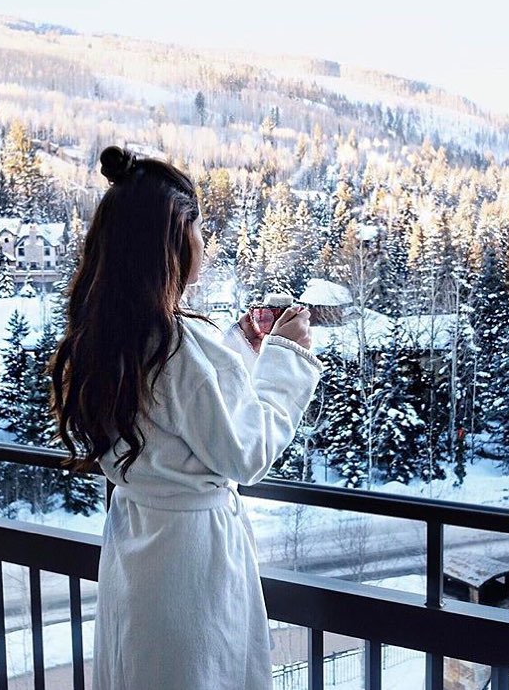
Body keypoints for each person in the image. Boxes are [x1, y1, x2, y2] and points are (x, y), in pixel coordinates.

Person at [50, 146, 323, 690]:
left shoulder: (109, 337)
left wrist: (239, 349)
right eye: (197, 228)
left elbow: (181, 415)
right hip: (191, 568)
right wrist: (287, 359)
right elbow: (245, 451)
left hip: (137, 552)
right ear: (171, 242)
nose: (203, 241)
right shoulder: (179, 347)